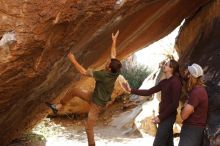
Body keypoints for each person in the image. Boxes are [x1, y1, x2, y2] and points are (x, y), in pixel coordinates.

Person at [46, 30, 122, 146]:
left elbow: (83, 72)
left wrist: (73, 60)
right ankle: (58, 106)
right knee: (75, 90)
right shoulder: (115, 71)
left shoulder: (103, 75)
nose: (107, 63)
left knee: (88, 128)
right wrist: (114, 41)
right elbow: (113, 55)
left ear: (110, 69)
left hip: (97, 105)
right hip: (94, 96)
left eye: (108, 64)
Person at [123, 59, 182, 146]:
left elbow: (174, 104)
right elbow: (148, 92)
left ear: (171, 68)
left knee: (158, 143)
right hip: (163, 116)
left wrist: (160, 117)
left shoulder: (176, 82)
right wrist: (130, 90)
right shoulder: (164, 82)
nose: (164, 66)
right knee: (168, 142)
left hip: (168, 117)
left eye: (166, 64)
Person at [179, 63, 208, 146]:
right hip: (194, 130)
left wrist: (183, 107)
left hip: (191, 130)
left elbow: (184, 115)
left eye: (188, 73)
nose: (186, 76)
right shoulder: (200, 90)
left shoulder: (196, 92)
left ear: (191, 76)